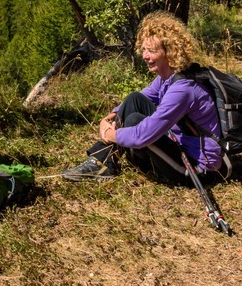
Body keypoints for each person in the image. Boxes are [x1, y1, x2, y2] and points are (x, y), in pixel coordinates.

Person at [62, 12, 224, 185]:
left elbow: (142, 136)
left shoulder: (183, 89)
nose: (145, 56)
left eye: (152, 51)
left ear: (170, 52)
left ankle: (102, 161)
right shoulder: (167, 77)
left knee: (135, 121)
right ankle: (102, 161)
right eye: (144, 49)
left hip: (197, 167)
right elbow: (140, 98)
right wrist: (109, 117)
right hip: (180, 145)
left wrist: (110, 134)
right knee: (134, 99)